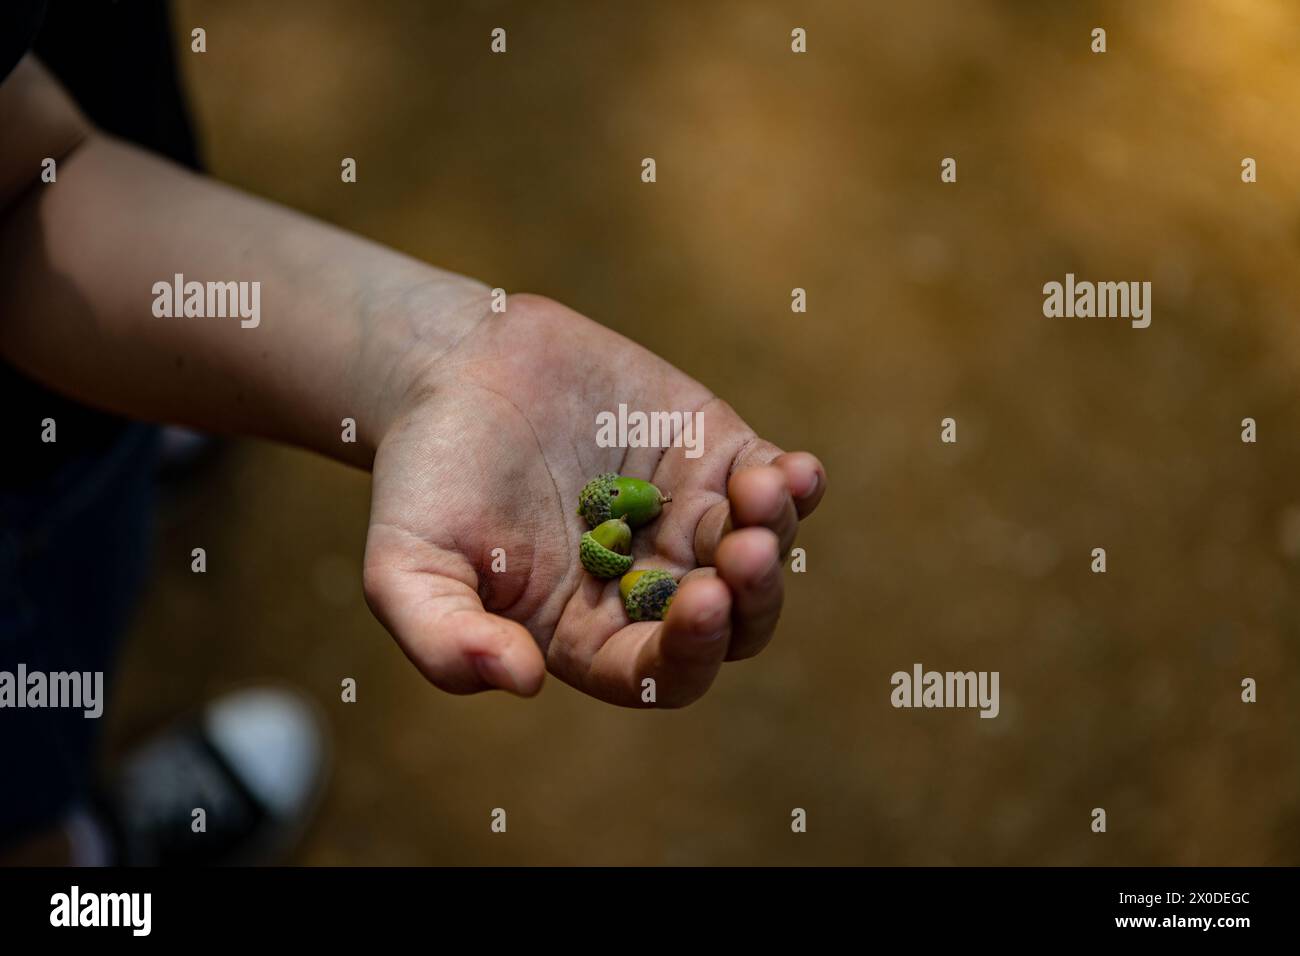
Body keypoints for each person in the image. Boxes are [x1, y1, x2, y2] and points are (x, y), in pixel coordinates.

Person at [0, 1, 825, 865]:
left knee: (96, 517)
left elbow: (29, 182)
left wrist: (430, 360)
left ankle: (169, 381)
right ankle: (70, 857)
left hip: (92, 255)